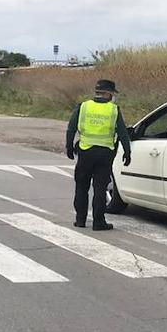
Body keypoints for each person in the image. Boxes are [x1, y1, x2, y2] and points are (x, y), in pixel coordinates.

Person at [65, 79, 132, 231]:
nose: (113, 96)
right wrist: (127, 152)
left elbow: (71, 128)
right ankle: (98, 222)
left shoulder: (83, 106)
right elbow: (122, 133)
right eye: (113, 94)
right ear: (108, 93)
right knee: (100, 189)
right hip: (105, 154)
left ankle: (80, 220)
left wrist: (69, 146)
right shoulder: (113, 109)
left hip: (85, 152)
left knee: (81, 187)